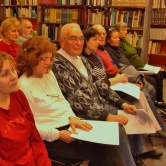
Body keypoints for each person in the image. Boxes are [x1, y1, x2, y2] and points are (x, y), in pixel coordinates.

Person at [52, 23, 158, 166]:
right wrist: (109, 117)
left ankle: (134, 155)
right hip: (83, 114)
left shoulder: (80, 58)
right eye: (73, 38)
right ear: (62, 41)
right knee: (118, 128)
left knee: (131, 114)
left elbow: (99, 83)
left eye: (81, 39)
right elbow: (77, 100)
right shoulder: (59, 64)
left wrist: (122, 103)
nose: (78, 43)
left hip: (99, 105)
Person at [17, 36, 126, 166]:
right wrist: (58, 134)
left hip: (68, 126)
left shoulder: (49, 75)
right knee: (103, 150)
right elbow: (30, 127)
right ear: (31, 58)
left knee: (107, 141)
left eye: (50, 58)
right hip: (49, 138)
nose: (48, 62)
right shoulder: (23, 86)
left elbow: (62, 99)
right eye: (44, 59)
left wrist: (71, 117)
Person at [82, 27, 166, 146]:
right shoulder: (85, 59)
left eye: (102, 35)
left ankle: (155, 130)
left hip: (111, 84)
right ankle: (154, 131)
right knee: (137, 101)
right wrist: (118, 79)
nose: (99, 40)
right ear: (86, 41)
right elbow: (97, 82)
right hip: (105, 91)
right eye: (95, 39)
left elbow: (105, 73)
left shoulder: (94, 55)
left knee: (142, 93)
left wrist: (121, 78)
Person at [0, 52, 51, 166]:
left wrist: (44, 163)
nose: (14, 76)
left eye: (13, 70)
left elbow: (34, 138)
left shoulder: (18, 95)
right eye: (5, 74)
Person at [93, 24, 157, 102]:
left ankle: (153, 106)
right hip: (114, 81)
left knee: (150, 89)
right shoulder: (97, 53)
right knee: (144, 94)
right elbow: (104, 75)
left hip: (120, 75)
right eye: (99, 34)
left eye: (104, 34)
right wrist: (124, 79)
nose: (102, 36)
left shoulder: (105, 50)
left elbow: (117, 67)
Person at [114, 22, 166, 108]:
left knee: (160, 74)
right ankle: (155, 102)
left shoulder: (125, 41)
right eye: (123, 30)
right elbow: (124, 62)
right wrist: (138, 73)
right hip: (136, 69)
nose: (126, 32)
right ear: (117, 32)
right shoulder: (119, 44)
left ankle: (159, 100)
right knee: (155, 78)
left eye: (126, 30)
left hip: (140, 67)